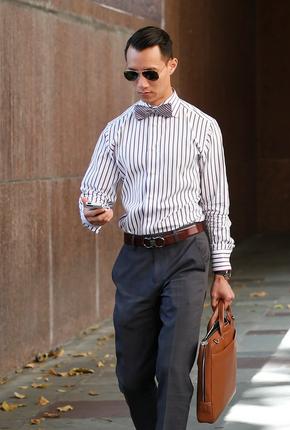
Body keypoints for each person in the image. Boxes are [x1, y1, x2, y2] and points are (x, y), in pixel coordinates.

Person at [78, 26, 235, 430]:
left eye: (150, 73)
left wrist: (222, 271)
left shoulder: (203, 127)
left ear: (171, 65)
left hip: (186, 254)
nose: (141, 84)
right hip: (134, 259)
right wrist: (94, 211)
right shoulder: (116, 131)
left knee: (172, 368)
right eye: (132, 75)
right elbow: (91, 192)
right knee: (131, 376)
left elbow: (217, 204)